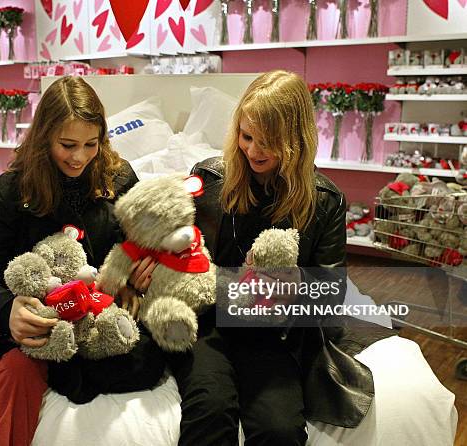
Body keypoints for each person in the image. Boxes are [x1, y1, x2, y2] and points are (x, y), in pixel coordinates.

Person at [0, 76, 165, 446]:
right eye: (67, 145)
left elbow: (142, 245)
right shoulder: (12, 190)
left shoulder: (119, 178)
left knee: (148, 355)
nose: (79, 157)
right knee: (17, 367)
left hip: (99, 313)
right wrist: (6, 311)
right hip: (38, 321)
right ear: (44, 137)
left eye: (91, 144)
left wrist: (140, 274)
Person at [165, 70, 394, 445]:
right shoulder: (209, 178)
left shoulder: (324, 201)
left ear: (296, 140)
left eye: (268, 142)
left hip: (275, 334)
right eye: (246, 136)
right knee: (210, 410)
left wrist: (296, 286)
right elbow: (185, 263)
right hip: (210, 323)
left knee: (280, 429)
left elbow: (331, 294)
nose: (253, 151)